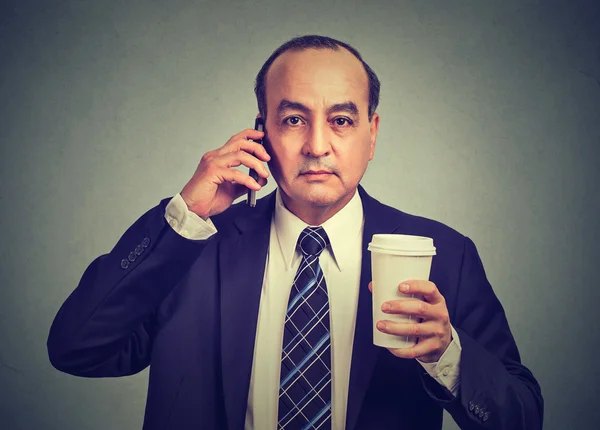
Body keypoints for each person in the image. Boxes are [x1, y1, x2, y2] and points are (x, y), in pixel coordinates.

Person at [47, 35, 543, 430]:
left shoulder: (445, 255)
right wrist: (183, 215)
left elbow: (521, 417)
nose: (317, 145)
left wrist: (447, 355)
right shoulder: (194, 246)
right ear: (260, 131)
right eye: (293, 119)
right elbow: (76, 348)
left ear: (372, 134)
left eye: (342, 120)